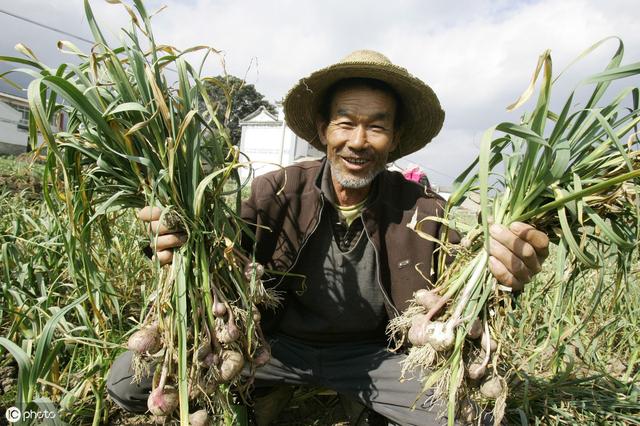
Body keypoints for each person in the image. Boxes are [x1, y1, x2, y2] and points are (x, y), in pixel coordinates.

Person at [107, 50, 549, 425]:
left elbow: (465, 288)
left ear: (394, 140)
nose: (358, 141)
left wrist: (505, 270)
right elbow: (218, 250)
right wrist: (178, 240)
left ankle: (353, 394)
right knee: (127, 383)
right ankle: (270, 389)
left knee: (476, 416)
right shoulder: (274, 192)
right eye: (345, 123)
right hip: (272, 348)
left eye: (376, 127)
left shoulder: (426, 211)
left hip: (375, 359)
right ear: (323, 130)